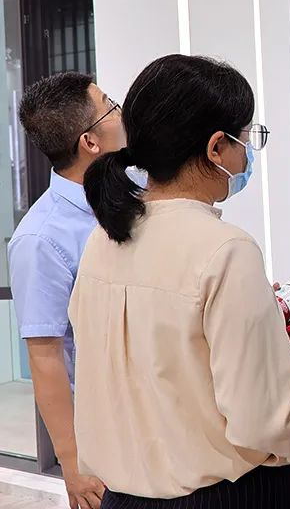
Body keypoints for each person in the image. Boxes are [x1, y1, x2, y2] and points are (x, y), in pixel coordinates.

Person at [69, 54, 290, 508]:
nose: (247, 154)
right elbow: (264, 424)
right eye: (246, 138)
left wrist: (261, 334)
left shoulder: (101, 240)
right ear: (216, 148)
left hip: (123, 498)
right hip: (229, 497)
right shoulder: (226, 250)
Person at [9, 72, 125, 509]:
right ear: (89, 142)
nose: (121, 113)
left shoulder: (129, 192)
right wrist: (73, 464)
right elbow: (45, 356)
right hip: (104, 435)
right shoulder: (40, 238)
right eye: (110, 106)